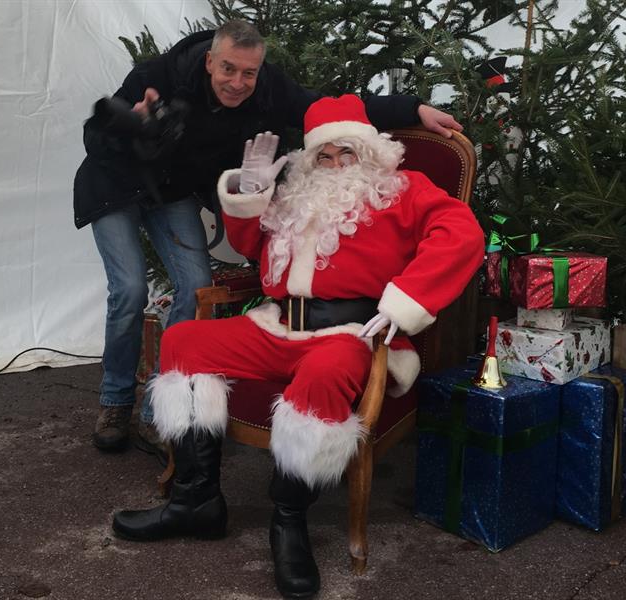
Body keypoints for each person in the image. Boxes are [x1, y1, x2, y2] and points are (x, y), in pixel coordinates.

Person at [110, 94, 484, 598]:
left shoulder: (404, 190)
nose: (333, 166)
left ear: (369, 152)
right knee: (183, 340)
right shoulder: (296, 197)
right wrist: (251, 193)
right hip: (277, 326)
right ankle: (195, 501)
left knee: (325, 374)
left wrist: (402, 305)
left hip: (350, 334)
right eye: (322, 157)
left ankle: (288, 521)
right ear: (309, 162)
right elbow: (249, 247)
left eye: (345, 153)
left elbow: (461, 234)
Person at [74, 19, 466, 455]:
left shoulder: (268, 90)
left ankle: (157, 413)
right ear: (209, 61)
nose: (238, 82)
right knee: (128, 288)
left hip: (170, 192)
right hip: (115, 184)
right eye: (228, 69)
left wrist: (413, 109)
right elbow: (95, 138)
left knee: (195, 283)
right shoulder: (157, 77)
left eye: (248, 72)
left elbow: (330, 111)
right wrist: (129, 127)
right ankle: (114, 401)